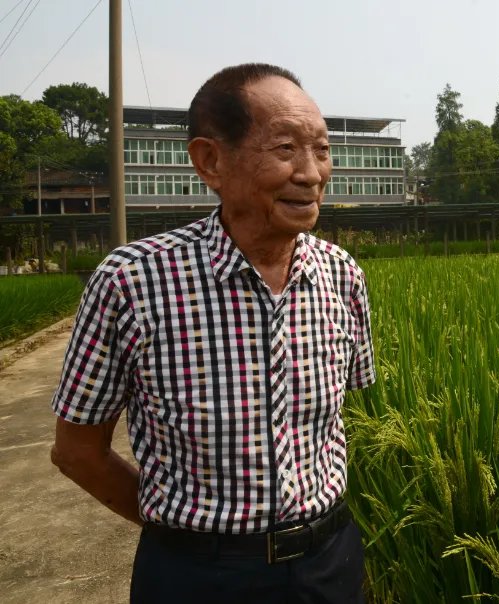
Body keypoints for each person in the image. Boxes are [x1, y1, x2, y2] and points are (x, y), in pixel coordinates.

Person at [49, 63, 375, 603]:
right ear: (210, 161)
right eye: (286, 149)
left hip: (329, 565)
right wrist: (185, 536)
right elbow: (76, 451)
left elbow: (336, 424)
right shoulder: (133, 281)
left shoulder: (342, 276)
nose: (312, 172)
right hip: (196, 579)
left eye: (321, 149)